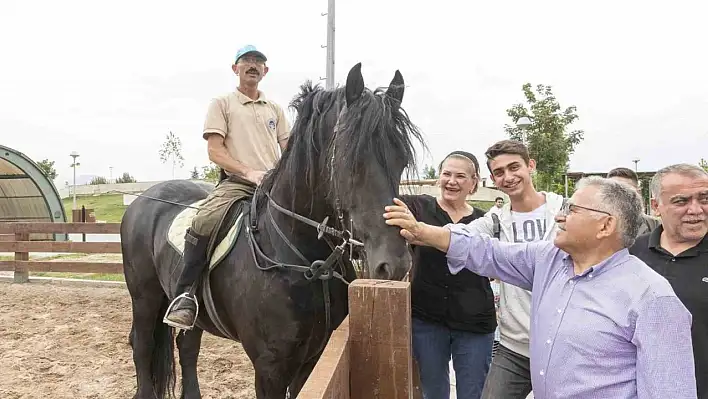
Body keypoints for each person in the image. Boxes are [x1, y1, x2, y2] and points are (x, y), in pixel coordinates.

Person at [384, 176, 698, 399]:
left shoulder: (652, 298)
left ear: (606, 226)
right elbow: (487, 252)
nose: (560, 215)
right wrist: (422, 231)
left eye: (573, 209)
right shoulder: (551, 259)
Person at [164, 45, 291, 329]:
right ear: (235, 68)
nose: (253, 65)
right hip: (238, 183)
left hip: (273, 186)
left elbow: (289, 148)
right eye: (247, 60)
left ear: (266, 71)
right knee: (204, 221)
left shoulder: (275, 109)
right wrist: (249, 172)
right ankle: (185, 294)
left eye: (259, 62)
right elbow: (215, 152)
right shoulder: (222, 103)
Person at [445, 140, 565, 398]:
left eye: (514, 167)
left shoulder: (565, 212)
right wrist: (418, 230)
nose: (508, 177)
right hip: (515, 347)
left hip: (565, 347)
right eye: (499, 172)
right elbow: (458, 236)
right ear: (493, 179)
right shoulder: (496, 220)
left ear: (530, 165)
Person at [400, 151, 495, 399]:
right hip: (427, 319)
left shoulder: (483, 221)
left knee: (473, 392)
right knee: (433, 391)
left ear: (474, 183)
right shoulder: (417, 207)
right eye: (446, 174)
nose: (452, 181)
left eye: (460, 176)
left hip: (475, 323)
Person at [629, 163, 708, 398]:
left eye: (704, 198)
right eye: (681, 201)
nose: (696, 210)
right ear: (655, 207)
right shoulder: (631, 254)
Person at [607, 166, 661, 236]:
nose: (620, 196)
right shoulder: (594, 226)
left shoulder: (656, 226)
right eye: (614, 190)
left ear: (638, 193)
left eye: (626, 191)